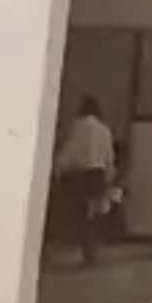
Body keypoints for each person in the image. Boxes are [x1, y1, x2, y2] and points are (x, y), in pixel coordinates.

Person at [56, 96, 115, 267]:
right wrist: (109, 176)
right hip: (97, 175)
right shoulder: (104, 129)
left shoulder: (76, 127)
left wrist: (58, 169)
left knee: (79, 214)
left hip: (79, 175)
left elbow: (68, 151)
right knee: (94, 213)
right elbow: (109, 156)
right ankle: (92, 252)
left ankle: (84, 250)